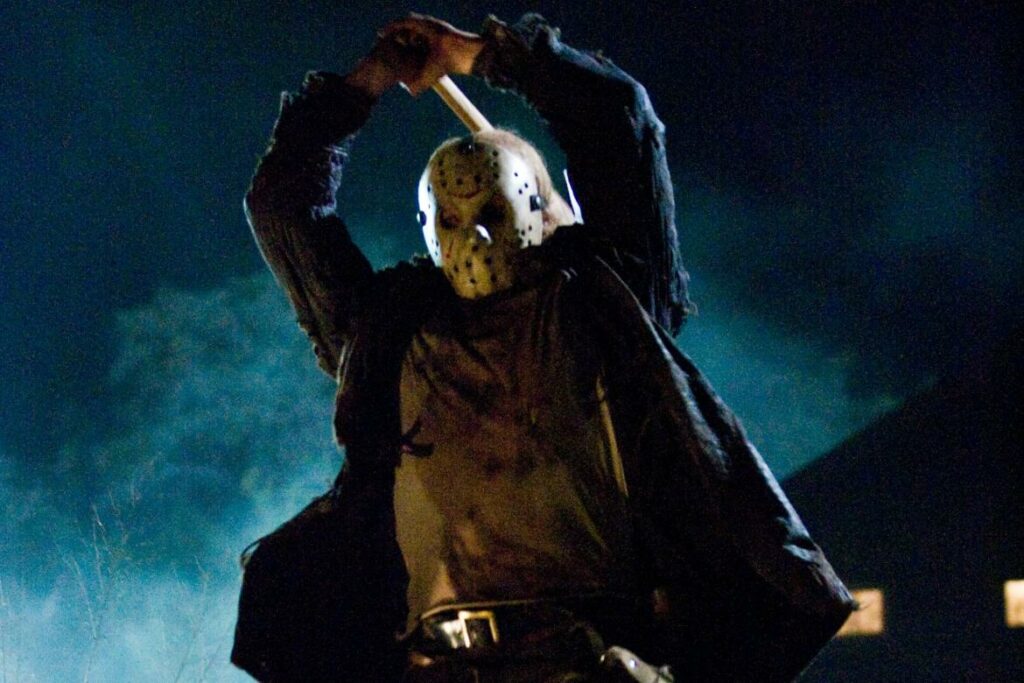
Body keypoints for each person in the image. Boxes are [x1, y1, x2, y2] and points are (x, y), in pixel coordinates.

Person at [231, 13, 854, 682]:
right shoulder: (387, 330)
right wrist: (367, 81)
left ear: (528, 207)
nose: (475, 239)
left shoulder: (603, 301)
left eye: (491, 213)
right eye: (454, 219)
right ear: (430, 225)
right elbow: (284, 205)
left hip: (588, 658)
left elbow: (618, 122)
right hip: (438, 664)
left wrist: (478, 56)